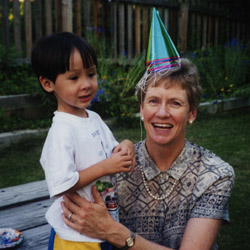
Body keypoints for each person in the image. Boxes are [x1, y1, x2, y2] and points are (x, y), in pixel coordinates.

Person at [61, 56, 235, 250]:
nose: (162, 113)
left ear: (192, 114)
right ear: (142, 109)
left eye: (175, 103)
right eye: (153, 101)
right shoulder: (114, 166)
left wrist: (115, 233)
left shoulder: (215, 175)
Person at [31, 32, 135, 250]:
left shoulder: (93, 118)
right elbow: (62, 183)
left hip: (103, 224)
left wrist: (125, 146)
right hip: (75, 236)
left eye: (91, 74)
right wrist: (105, 167)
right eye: (74, 78)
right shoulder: (62, 131)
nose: (87, 84)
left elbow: (112, 152)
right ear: (48, 84)